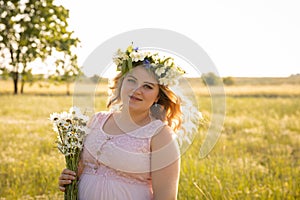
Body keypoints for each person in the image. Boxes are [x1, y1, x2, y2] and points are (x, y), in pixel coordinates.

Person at [58, 44, 190, 200]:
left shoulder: (160, 135)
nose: (137, 90)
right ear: (121, 83)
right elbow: (81, 170)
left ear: (157, 97)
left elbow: (165, 196)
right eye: (132, 80)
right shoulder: (97, 121)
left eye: (147, 86)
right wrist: (68, 178)